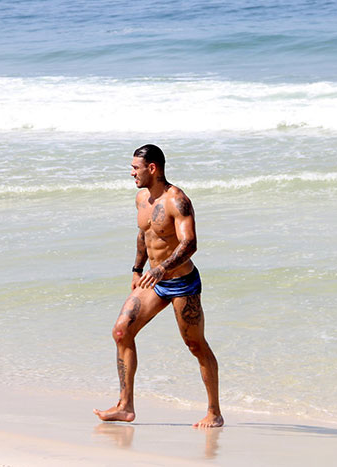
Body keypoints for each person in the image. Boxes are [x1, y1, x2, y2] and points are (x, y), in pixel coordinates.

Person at [93, 144, 224, 428]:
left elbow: (190, 243)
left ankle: (214, 412)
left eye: (135, 168)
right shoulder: (141, 198)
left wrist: (163, 268)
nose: (131, 173)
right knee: (121, 331)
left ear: (152, 168)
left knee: (195, 344)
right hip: (152, 279)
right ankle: (125, 406)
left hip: (180, 282)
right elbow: (144, 235)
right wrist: (137, 269)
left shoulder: (177, 200)